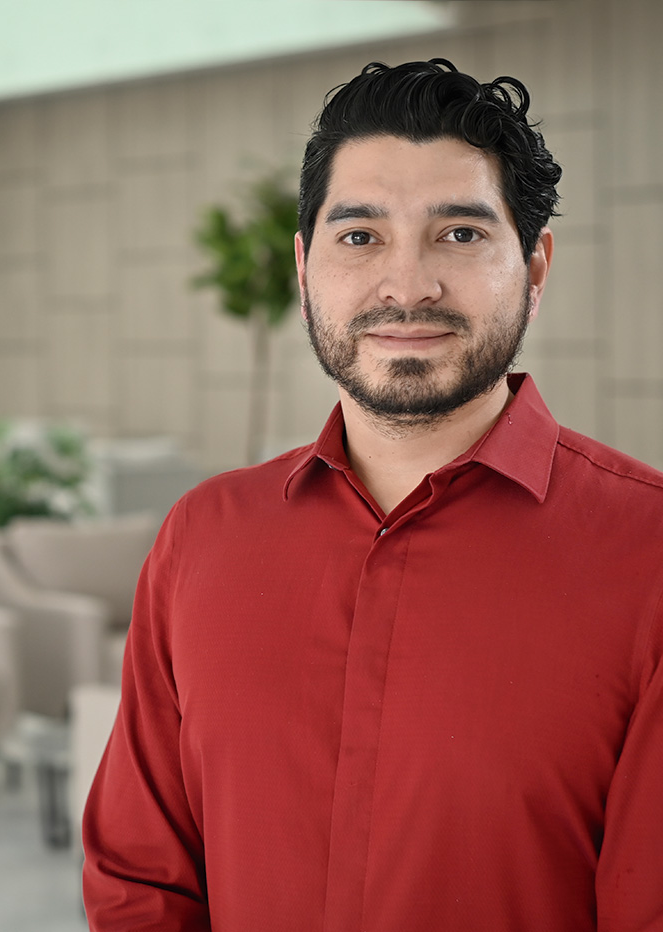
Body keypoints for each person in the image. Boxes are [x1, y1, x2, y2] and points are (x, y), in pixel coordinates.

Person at [82, 59, 663, 931]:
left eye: (460, 234)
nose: (407, 286)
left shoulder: (649, 552)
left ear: (536, 267)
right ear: (304, 263)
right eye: (361, 236)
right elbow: (140, 881)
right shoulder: (202, 538)